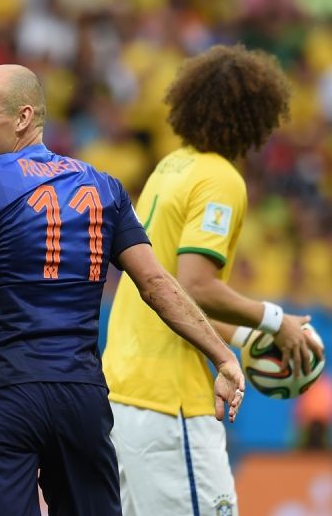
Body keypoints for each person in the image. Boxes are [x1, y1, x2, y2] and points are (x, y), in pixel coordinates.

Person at [0, 64, 245, 516]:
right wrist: (222, 356)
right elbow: (157, 284)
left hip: (3, 396)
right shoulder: (105, 187)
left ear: (23, 117)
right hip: (81, 400)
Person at [102, 44, 326, 516]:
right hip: (171, 404)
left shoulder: (169, 168)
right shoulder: (220, 179)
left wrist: (247, 337)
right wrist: (276, 320)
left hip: (122, 394)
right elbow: (195, 285)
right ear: (257, 117)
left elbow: (172, 293)